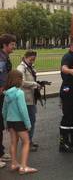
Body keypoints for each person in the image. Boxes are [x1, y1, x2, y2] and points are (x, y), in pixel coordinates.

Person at [2, 70, 38, 174]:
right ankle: (23, 167)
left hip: (10, 121)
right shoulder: (19, 93)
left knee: (13, 142)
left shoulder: (7, 93)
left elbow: (4, 110)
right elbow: (23, 110)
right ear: (18, 79)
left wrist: (6, 123)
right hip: (19, 122)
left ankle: (14, 164)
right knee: (26, 142)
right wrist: (28, 124)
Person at [17, 50, 40, 152]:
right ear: (26, 57)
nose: (32, 61)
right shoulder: (21, 68)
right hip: (26, 99)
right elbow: (20, 82)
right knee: (29, 121)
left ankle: (29, 141)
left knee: (31, 120)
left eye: (34, 59)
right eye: (31, 59)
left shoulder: (29, 67)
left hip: (31, 98)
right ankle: (27, 143)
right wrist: (34, 84)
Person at [0, 34, 16, 168]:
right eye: (12, 44)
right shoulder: (1, 58)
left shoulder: (5, 57)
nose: (14, 47)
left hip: (3, 94)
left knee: (1, 125)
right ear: (5, 45)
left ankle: (0, 152)